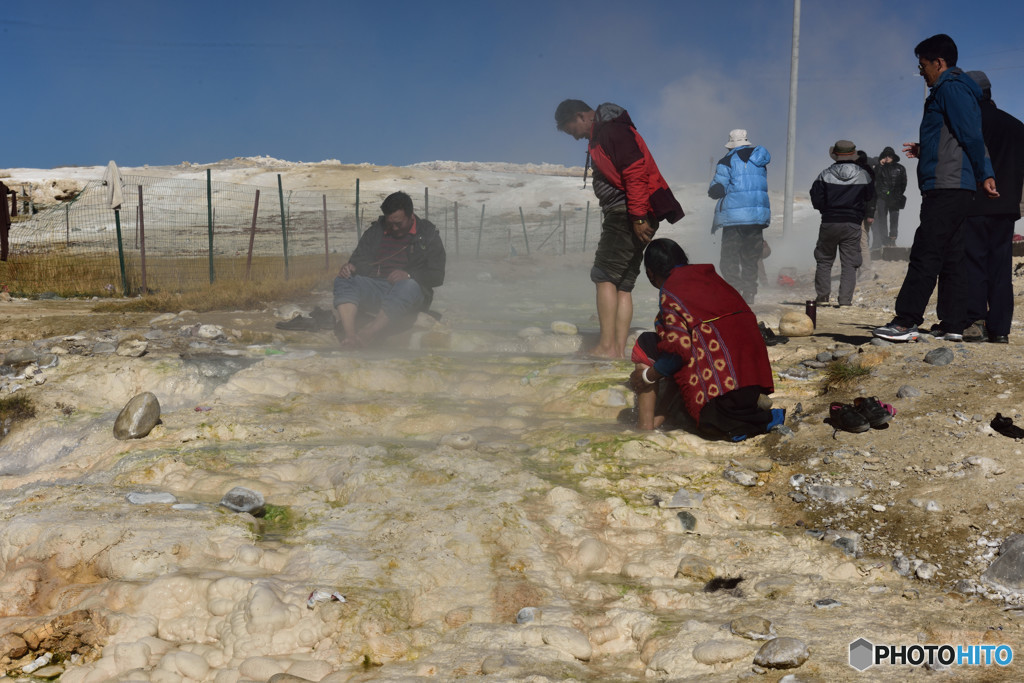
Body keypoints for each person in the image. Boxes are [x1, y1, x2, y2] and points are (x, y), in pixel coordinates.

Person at [873, 34, 997, 343]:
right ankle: (953, 323)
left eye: (923, 66)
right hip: (953, 184)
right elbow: (952, 135)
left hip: (947, 186)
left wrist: (986, 173)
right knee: (951, 256)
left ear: (938, 63)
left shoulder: (951, 88)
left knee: (926, 251)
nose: (921, 73)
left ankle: (906, 321)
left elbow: (971, 134)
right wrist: (925, 148)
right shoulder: (952, 89)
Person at [555, 99, 685, 359]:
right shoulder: (609, 129)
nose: (574, 138)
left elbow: (634, 171)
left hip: (626, 212)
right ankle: (615, 347)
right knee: (623, 283)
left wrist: (637, 217)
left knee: (604, 276)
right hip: (633, 211)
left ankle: (607, 347)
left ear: (581, 116)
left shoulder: (611, 130)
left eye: (571, 130)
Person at [628, 238, 782, 440]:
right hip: (750, 389)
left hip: (718, 410)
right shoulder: (711, 278)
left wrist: (647, 376)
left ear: (650, 272)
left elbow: (678, 351)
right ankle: (660, 418)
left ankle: (644, 428)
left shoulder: (671, 290)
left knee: (646, 344)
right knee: (683, 346)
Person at [959, 71, 1024, 344]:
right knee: (1000, 267)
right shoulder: (1016, 125)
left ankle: (975, 322)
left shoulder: (968, 124)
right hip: (1007, 206)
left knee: (974, 264)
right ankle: (1000, 330)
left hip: (975, 204)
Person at [333, 191, 445, 348]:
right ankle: (350, 336)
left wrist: (409, 274)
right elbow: (358, 260)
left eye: (398, 223)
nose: (394, 228)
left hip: (411, 293)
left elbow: (437, 275)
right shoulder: (375, 231)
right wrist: (351, 267)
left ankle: (368, 333)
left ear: (411, 216)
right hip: (377, 287)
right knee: (343, 279)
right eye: (389, 223)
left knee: (408, 285)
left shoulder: (428, 234)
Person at [708, 129, 770, 304]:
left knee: (729, 258)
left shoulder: (727, 161)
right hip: (756, 217)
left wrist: (713, 190)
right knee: (751, 258)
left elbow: (717, 189)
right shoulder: (760, 160)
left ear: (731, 145)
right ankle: (749, 293)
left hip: (734, 218)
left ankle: (734, 291)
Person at [809, 140, 875, 307]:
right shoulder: (863, 174)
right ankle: (845, 301)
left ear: (836, 155)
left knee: (824, 260)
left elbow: (816, 198)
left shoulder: (824, 174)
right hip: (852, 223)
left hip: (830, 222)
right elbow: (870, 197)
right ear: (853, 154)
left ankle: (823, 298)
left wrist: (826, 210)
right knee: (850, 263)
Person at [872, 147, 908, 248]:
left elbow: (903, 183)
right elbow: (875, 180)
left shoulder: (900, 168)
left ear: (893, 156)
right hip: (882, 197)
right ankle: (885, 241)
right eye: (885, 155)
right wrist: (879, 165)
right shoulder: (879, 168)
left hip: (895, 197)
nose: (887, 157)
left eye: (889, 155)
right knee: (882, 219)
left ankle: (892, 239)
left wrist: (898, 194)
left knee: (894, 218)